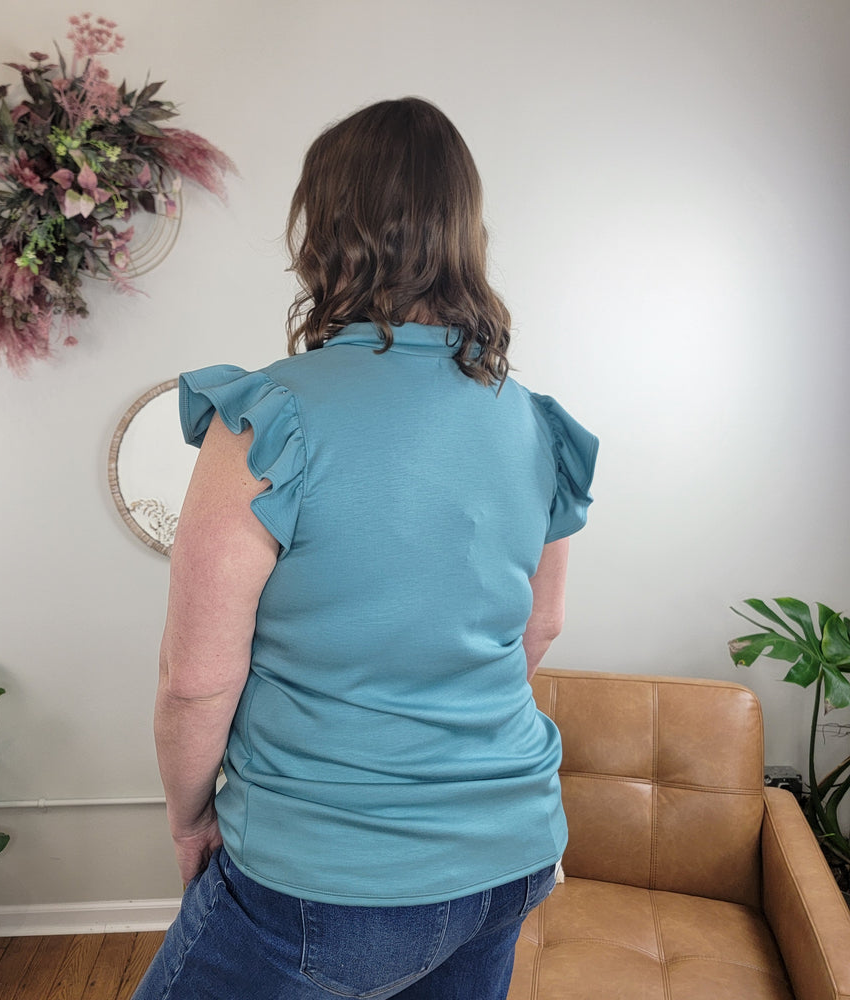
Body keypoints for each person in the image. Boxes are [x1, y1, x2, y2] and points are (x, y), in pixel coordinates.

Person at [132, 97, 598, 1000]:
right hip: (512, 851)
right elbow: (540, 627)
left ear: (325, 231)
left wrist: (188, 820)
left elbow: (196, 680)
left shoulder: (269, 417)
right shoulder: (538, 428)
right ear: (465, 231)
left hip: (325, 879)